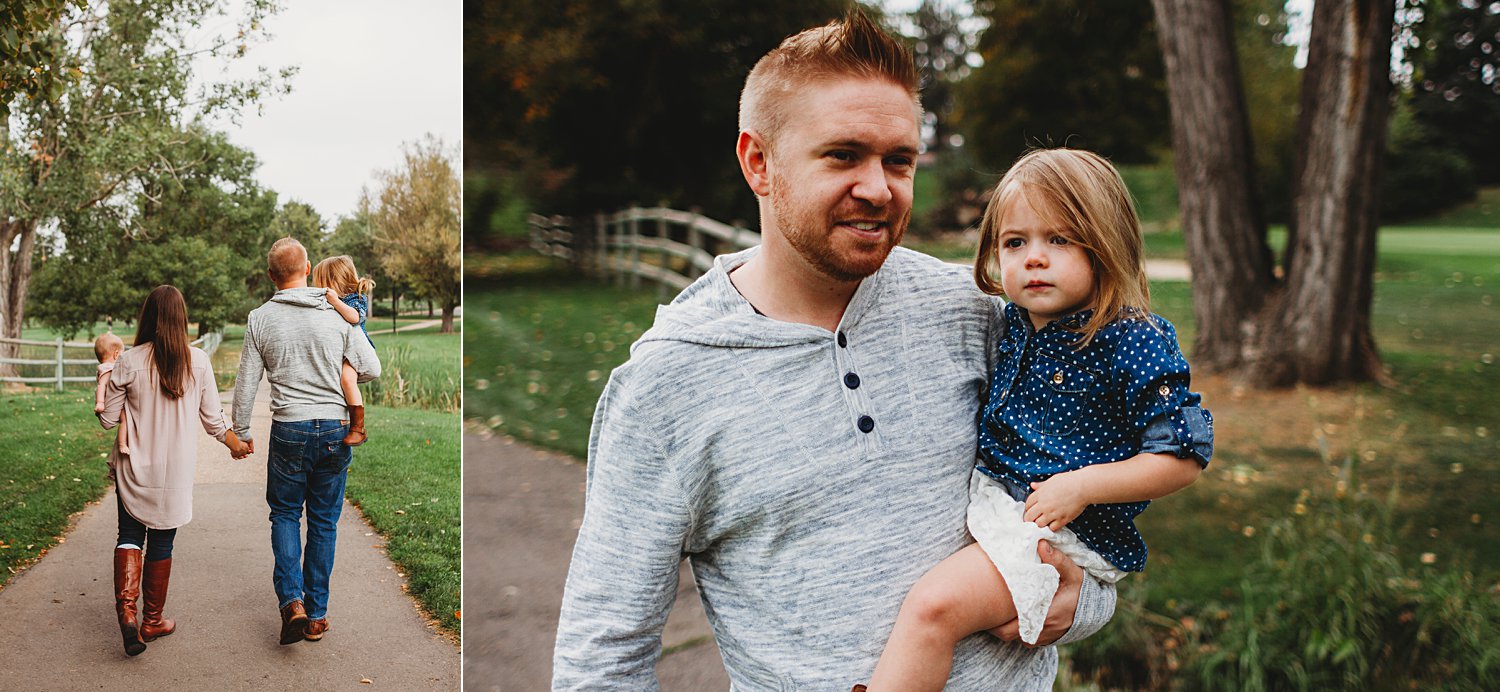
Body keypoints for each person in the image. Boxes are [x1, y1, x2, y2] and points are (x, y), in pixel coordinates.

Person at [552, 11, 1116, 689]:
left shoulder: (973, 313)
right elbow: (602, 658)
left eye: (898, 160)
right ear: (758, 162)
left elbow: (1091, 503)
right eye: (844, 154)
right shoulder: (668, 385)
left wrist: (1083, 601)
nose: (878, 188)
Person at [864, 148, 1215, 689]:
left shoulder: (1130, 338)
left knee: (932, 610)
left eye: (1060, 239)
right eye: (1015, 242)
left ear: (1106, 245)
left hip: (1057, 531)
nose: (1033, 258)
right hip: (1003, 509)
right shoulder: (1015, 322)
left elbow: (1182, 457)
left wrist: (1083, 486)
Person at [231, 237, 381, 646]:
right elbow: (371, 365)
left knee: (283, 515)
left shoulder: (261, 318)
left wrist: (240, 432)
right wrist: (342, 371)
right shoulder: (334, 313)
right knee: (323, 522)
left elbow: (247, 382)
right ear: (308, 267)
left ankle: (292, 602)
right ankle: (315, 616)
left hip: (290, 429)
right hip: (335, 427)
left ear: (270, 276)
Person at [97, 285, 251, 656]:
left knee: (129, 534)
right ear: (182, 319)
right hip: (175, 472)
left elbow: (106, 419)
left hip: (134, 467)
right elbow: (214, 419)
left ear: (146, 317)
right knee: (162, 542)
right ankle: (152, 620)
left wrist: (103, 380)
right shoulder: (196, 362)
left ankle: (128, 613)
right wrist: (236, 445)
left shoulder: (129, 361)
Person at [310, 255, 377, 446]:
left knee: (347, 379)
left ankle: (358, 428)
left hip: (354, 352)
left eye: (320, 282)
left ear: (332, 281)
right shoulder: (330, 302)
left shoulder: (355, 299)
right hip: (339, 351)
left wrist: (335, 302)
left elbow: (354, 318)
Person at [94, 332, 130, 456]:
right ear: (116, 355)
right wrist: (100, 403)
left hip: (110, 401)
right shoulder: (108, 369)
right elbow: (101, 385)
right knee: (124, 420)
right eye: (122, 354)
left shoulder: (105, 368)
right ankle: (122, 444)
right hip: (106, 403)